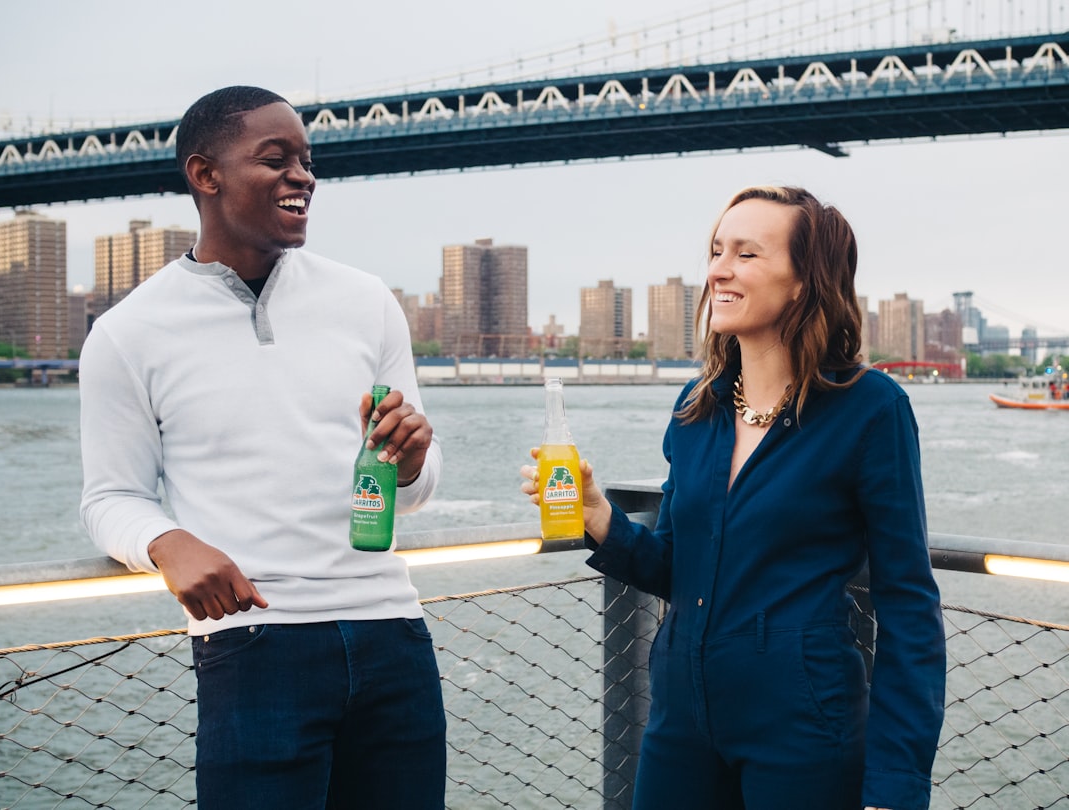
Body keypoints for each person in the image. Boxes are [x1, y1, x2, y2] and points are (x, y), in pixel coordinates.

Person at [79, 86, 446, 809]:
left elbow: (420, 485)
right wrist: (166, 540)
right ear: (205, 175)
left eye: (307, 162)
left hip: (392, 632)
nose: (302, 177)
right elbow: (109, 497)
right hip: (255, 644)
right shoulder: (127, 334)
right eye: (275, 160)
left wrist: (412, 463)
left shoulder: (367, 300)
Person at [522, 185, 945, 810]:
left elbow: (909, 605)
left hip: (804, 728)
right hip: (680, 721)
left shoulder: (871, 409)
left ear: (804, 281)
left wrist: (894, 788)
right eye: (717, 250)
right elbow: (679, 568)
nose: (718, 269)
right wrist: (600, 518)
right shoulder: (698, 406)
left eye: (746, 254)